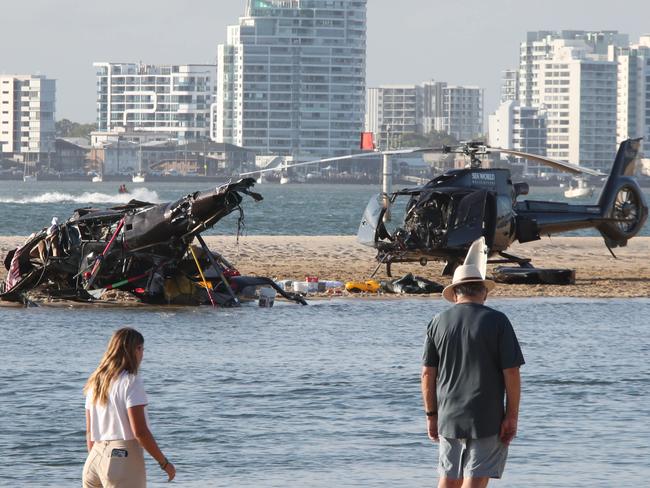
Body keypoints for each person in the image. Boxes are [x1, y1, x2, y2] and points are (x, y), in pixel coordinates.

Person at [421, 263, 524, 488]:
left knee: (449, 478)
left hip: (448, 414)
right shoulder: (498, 321)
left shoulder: (437, 322)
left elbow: (428, 373)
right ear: (484, 292)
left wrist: (431, 415)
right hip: (486, 415)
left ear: (456, 293)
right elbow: (512, 372)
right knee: (476, 479)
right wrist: (512, 416)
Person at [82, 327, 176, 487]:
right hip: (122, 457)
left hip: (94, 459)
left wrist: (100, 461)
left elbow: (90, 431)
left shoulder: (96, 382)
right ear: (137, 349)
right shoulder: (131, 382)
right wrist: (164, 463)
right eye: (142, 350)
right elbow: (139, 431)